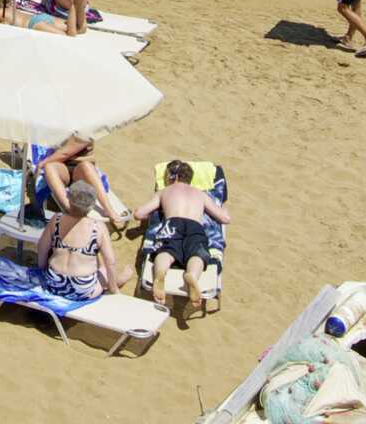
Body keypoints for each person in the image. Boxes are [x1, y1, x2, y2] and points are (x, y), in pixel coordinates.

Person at [134, 160, 231, 315]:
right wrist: (224, 210)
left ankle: (161, 272)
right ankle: (192, 274)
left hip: (172, 224)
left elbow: (139, 214)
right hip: (195, 226)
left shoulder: (165, 191)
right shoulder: (200, 194)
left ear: (173, 177)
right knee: (198, 253)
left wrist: (144, 214)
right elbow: (224, 219)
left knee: (166, 251)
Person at [37, 181, 127, 301]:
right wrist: (114, 290)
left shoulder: (56, 219)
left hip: (54, 283)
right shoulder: (98, 227)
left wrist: (42, 270)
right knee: (104, 268)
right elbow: (110, 262)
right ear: (92, 205)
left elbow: (42, 247)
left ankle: (113, 281)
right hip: (82, 289)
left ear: (68, 198)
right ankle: (116, 282)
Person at [39, 133, 130, 229]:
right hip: (62, 167)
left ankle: (108, 209)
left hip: (80, 170)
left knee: (86, 166)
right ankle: (69, 208)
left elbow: (65, 153)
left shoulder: (85, 129)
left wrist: (41, 164)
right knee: (49, 167)